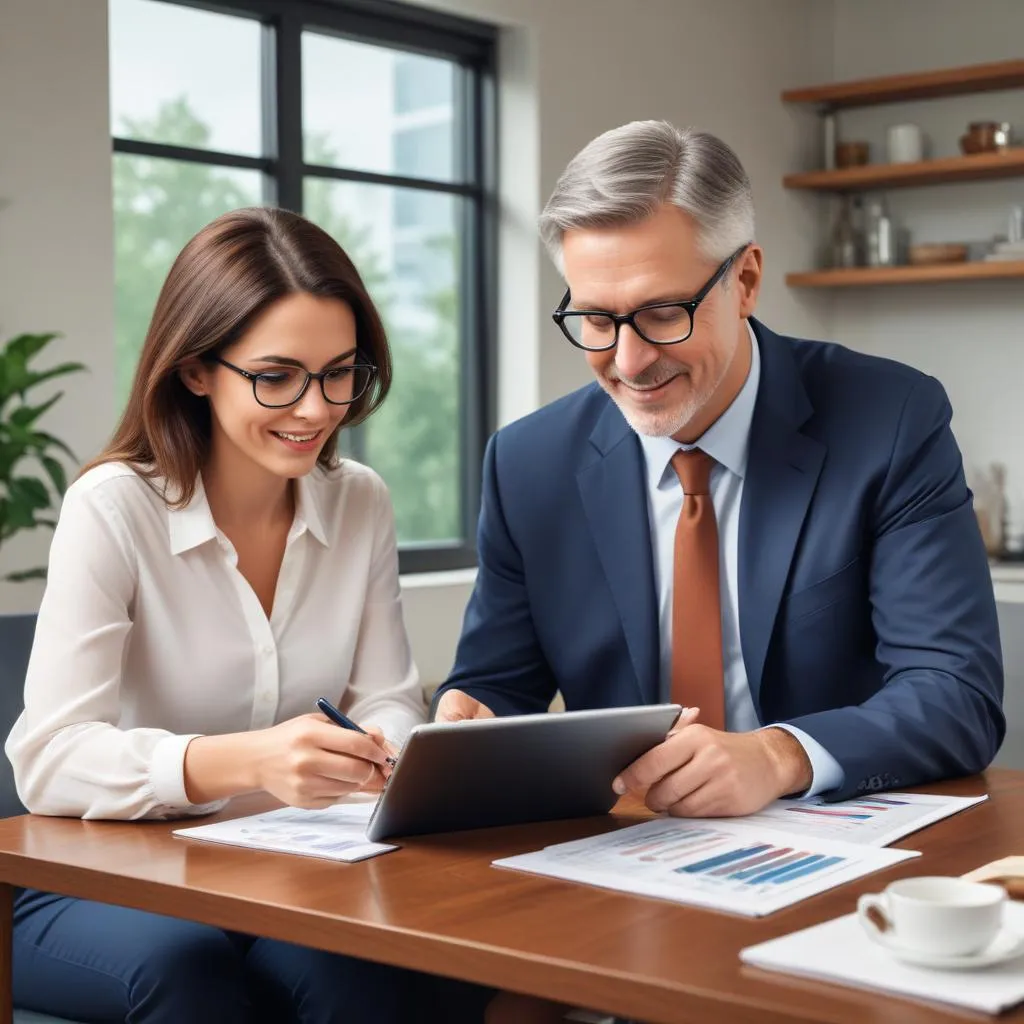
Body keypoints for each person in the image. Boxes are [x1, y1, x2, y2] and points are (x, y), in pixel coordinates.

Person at [441, 120, 1006, 1022]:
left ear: (744, 278)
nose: (628, 362)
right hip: (618, 875)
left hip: (843, 882)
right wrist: (465, 727)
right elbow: (494, 686)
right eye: (594, 318)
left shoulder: (888, 418)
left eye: (663, 312)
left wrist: (778, 757)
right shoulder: (529, 461)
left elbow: (955, 693)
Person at [5, 207, 433, 1024]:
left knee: (360, 971)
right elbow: (49, 760)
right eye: (277, 376)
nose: (315, 409)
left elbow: (387, 696)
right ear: (197, 369)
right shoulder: (113, 509)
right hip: (105, 881)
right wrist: (248, 762)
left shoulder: (360, 503)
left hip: (283, 867)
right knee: (187, 966)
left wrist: (393, 749)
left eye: (340, 372)